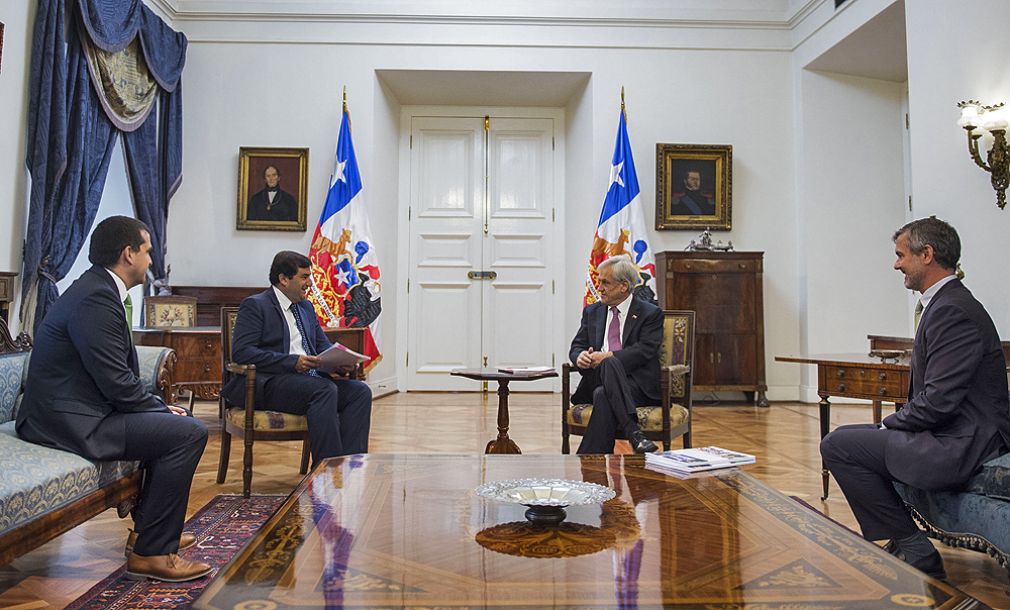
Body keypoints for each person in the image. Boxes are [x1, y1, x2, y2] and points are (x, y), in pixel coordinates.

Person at [16, 216, 211, 582]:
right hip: (70, 420)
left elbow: (113, 381)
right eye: (147, 252)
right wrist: (158, 407)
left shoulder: (96, 289)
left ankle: (148, 533)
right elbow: (117, 384)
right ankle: (152, 554)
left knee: (178, 420)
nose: (151, 261)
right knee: (188, 432)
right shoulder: (96, 298)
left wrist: (161, 409)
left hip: (78, 410)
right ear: (128, 253)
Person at [820, 217, 1010, 580]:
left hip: (962, 445)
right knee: (851, 441)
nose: (896, 265)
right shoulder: (947, 303)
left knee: (839, 445)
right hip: (953, 434)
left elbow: (939, 401)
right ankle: (906, 544)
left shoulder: (953, 310)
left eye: (900, 255)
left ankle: (915, 549)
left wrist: (887, 424)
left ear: (927, 254)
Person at [222, 251, 372, 462]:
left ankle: (352, 465)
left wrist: (339, 362)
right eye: (304, 277)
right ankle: (327, 470)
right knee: (324, 390)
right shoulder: (256, 305)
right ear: (283, 279)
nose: (310, 283)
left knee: (360, 392)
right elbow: (243, 352)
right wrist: (292, 362)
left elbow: (321, 345)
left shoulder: (306, 307)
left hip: (308, 382)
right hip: (270, 383)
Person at [570, 256, 662, 454]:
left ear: (623, 286)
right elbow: (577, 345)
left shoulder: (650, 314)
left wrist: (608, 356)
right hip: (596, 378)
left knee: (603, 393)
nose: (599, 287)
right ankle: (634, 433)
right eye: (599, 281)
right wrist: (580, 357)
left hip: (636, 385)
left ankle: (589, 462)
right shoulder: (592, 311)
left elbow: (645, 349)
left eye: (605, 282)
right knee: (607, 367)